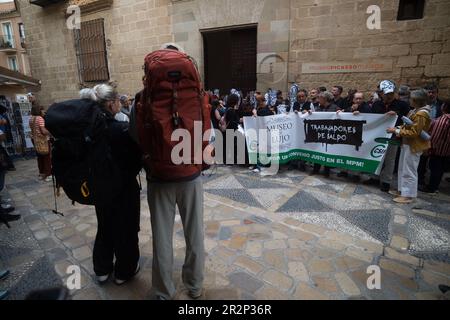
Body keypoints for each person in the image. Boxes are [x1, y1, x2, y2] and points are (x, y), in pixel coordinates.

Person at [80, 84, 142, 285]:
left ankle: (102, 269)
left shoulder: (88, 132)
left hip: (100, 189)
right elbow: (136, 160)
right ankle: (124, 271)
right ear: (110, 104)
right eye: (117, 101)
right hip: (124, 189)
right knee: (128, 229)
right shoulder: (120, 130)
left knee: (105, 226)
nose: (119, 104)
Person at [386, 89, 431, 204]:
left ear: (416, 101)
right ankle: (402, 190)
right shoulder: (415, 111)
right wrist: (399, 129)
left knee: (409, 170)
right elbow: (408, 126)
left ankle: (408, 195)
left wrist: (396, 131)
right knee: (402, 168)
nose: (409, 100)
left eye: (411, 99)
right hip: (407, 144)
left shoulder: (422, 114)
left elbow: (415, 132)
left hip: (413, 145)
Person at [364, 80, 410, 192]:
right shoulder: (376, 104)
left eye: (391, 93)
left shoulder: (403, 105)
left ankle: (386, 181)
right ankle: (374, 177)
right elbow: (372, 119)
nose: (389, 96)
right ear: (380, 93)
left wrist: (398, 122)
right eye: (386, 94)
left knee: (390, 159)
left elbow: (408, 122)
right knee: (375, 155)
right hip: (377, 135)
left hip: (393, 136)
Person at [337, 92, 371, 181]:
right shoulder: (351, 107)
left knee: (358, 153)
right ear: (353, 100)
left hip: (360, 135)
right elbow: (344, 112)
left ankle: (356, 173)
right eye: (357, 99)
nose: (358, 100)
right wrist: (342, 112)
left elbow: (370, 117)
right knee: (346, 151)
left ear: (363, 99)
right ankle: (343, 170)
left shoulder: (367, 108)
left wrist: (360, 113)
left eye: (360, 98)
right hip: (349, 134)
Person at [419, 101, 450, 194]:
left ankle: (432, 187)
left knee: (435, 169)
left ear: (444, 107)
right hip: (447, 151)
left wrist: (430, 147)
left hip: (438, 150)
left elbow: (436, 136)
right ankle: (435, 186)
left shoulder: (442, 120)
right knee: (440, 170)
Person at [418, 83, 445, 184]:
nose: (431, 94)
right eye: (429, 92)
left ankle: (433, 184)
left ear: (437, 93)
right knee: (421, 159)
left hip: (436, 136)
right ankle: (420, 179)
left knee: (435, 161)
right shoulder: (420, 104)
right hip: (422, 135)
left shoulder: (441, 105)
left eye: (433, 92)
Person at [311, 91, 340, 177]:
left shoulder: (335, 108)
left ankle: (326, 171)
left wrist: (341, 113)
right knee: (317, 150)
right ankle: (316, 169)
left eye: (319, 98)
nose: (318, 100)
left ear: (324, 99)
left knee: (328, 151)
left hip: (330, 134)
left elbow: (342, 115)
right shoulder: (318, 108)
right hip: (319, 133)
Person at [29, 105, 52, 182]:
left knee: (40, 157)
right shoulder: (40, 118)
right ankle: (48, 174)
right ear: (39, 110)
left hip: (35, 140)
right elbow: (43, 131)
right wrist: (51, 132)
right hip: (43, 140)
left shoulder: (31, 118)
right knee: (47, 157)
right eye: (43, 110)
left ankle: (41, 173)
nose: (44, 112)